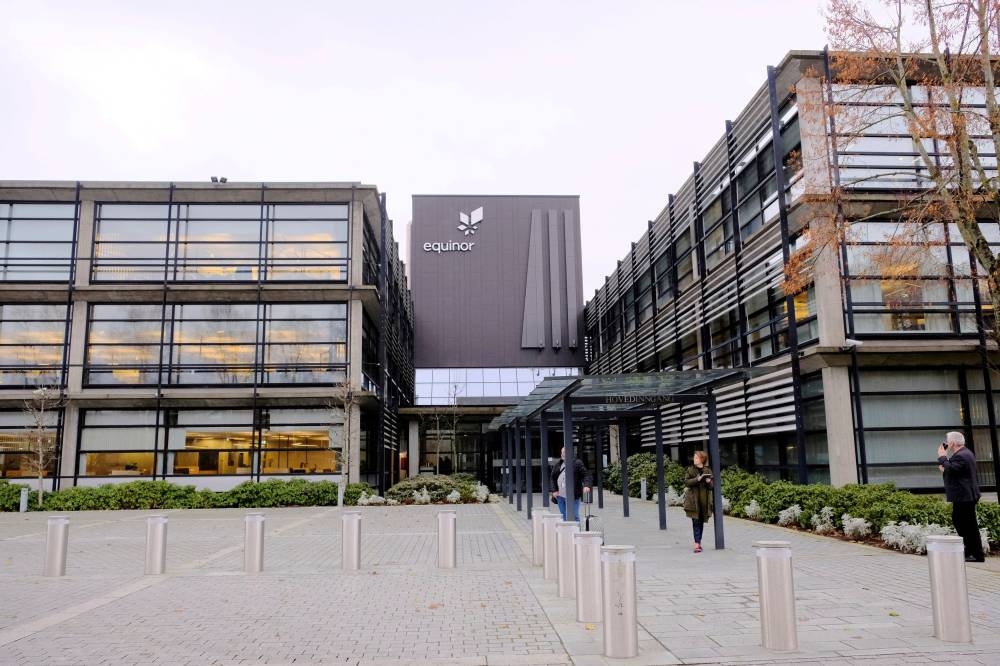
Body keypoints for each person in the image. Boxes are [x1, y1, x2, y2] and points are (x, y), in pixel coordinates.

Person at [938, 431, 986, 562]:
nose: (947, 444)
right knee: (964, 523)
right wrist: (946, 467)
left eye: (948, 441)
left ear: (952, 443)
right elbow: (954, 470)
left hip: (965, 496)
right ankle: (972, 552)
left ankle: (974, 553)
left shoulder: (961, 455)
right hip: (965, 495)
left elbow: (952, 469)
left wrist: (942, 457)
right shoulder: (964, 453)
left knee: (965, 524)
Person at [683, 450, 714, 553]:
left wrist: (709, 482)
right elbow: (686, 482)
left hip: (704, 501)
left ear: (702, 459)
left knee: (701, 522)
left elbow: (711, 487)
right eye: (694, 457)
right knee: (696, 522)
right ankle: (697, 544)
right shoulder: (690, 470)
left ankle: (698, 542)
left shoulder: (708, 470)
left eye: (696, 457)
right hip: (693, 501)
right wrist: (697, 479)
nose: (694, 459)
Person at [550, 446, 592, 520]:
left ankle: (576, 531)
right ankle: (566, 531)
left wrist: (586, 485)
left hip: (573, 495)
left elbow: (585, 475)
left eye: (565, 452)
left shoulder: (577, 463)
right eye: (562, 452)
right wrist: (554, 491)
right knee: (564, 516)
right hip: (560, 496)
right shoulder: (558, 465)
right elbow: (552, 478)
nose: (563, 454)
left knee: (574, 516)